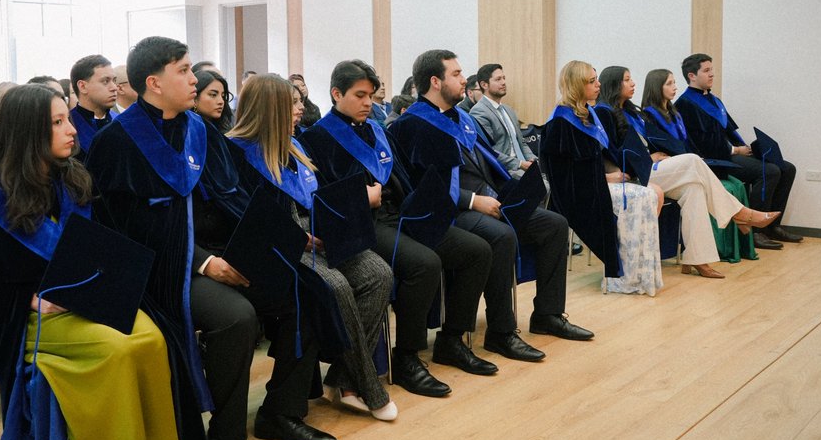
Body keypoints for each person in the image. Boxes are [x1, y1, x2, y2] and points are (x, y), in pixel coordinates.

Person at [87, 38, 332, 440]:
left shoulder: (201, 131)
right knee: (236, 318)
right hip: (163, 269)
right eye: (184, 70)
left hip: (223, 252)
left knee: (308, 288)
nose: (194, 78)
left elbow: (233, 198)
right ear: (154, 83)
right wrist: (203, 263)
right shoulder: (114, 144)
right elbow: (118, 230)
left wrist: (280, 241)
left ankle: (281, 411)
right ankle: (226, 439)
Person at [0, 84, 183, 440]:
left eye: (67, 119)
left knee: (149, 336)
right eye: (57, 123)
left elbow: (99, 245)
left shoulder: (71, 178)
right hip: (28, 321)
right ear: (26, 132)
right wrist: (28, 301)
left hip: (83, 300)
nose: (71, 130)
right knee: (115, 348)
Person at [299, 60, 492, 397]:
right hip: (364, 224)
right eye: (359, 95)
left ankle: (451, 340)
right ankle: (406, 357)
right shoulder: (319, 138)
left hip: (400, 215)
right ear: (335, 93)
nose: (367, 103)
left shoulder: (377, 130)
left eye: (371, 96)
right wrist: (364, 199)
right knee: (424, 263)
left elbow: (403, 180)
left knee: (477, 250)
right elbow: (322, 199)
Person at [390, 50, 590, 362]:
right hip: (450, 212)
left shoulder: (462, 119)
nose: (464, 79)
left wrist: (515, 192)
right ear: (434, 81)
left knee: (554, 225)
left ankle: (547, 315)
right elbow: (416, 189)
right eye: (456, 74)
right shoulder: (411, 125)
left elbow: (490, 164)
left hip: (489, 199)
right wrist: (472, 200)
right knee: (501, 236)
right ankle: (501, 332)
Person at [232, 75, 396, 419]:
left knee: (378, 273)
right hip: (281, 245)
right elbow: (247, 217)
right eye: (292, 103)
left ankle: (343, 376)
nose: (300, 109)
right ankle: (366, 386)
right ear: (271, 109)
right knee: (333, 284)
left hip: (319, 232)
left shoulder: (297, 146)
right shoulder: (237, 152)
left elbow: (319, 197)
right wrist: (298, 236)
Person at [598, 66, 779, 279]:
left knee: (693, 189)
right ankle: (739, 214)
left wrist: (660, 155)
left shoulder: (632, 111)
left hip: (652, 167)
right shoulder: (604, 111)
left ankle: (697, 259)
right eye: (627, 80)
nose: (633, 83)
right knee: (693, 161)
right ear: (613, 84)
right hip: (636, 172)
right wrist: (648, 158)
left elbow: (656, 141)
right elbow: (611, 150)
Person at [543, 61, 663, 295]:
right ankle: (622, 276)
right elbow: (564, 173)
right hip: (577, 193)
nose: (598, 85)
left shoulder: (588, 115)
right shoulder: (561, 121)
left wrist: (610, 175)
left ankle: (641, 274)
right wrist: (606, 179)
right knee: (640, 198)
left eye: (597, 79)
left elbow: (598, 157)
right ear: (577, 85)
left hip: (596, 183)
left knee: (647, 195)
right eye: (591, 81)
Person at [676, 53, 800, 250]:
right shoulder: (684, 105)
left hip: (732, 153)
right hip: (715, 159)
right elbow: (698, 143)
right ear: (692, 76)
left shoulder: (715, 100)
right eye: (706, 71)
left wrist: (747, 148)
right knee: (769, 171)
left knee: (787, 168)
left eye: (712, 70)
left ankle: (773, 226)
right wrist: (735, 150)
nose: (712, 74)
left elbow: (730, 130)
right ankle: (755, 231)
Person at [468, 63, 543, 184]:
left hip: (523, 167)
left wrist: (533, 159)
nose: (503, 82)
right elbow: (488, 151)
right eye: (498, 79)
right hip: (505, 171)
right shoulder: (479, 112)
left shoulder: (508, 110)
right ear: (484, 85)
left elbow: (521, 142)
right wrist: (519, 164)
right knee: (545, 188)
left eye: (504, 78)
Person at [68, 54, 117, 154]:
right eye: (105, 81)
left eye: (114, 80)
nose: (114, 87)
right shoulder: (69, 126)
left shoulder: (121, 121)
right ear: (82, 86)